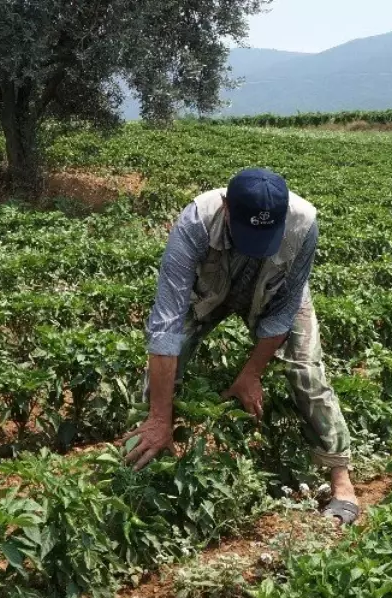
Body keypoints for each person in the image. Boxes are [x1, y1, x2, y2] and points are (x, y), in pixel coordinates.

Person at [118, 167, 360, 524]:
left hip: (273, 293)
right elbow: (166, 324)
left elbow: (283, 311)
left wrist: (251, 374)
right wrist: (159, 416)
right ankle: (149, 457)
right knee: (170, 354)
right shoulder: (196, 222)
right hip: (209, 290)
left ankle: (342, 481)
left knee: (306, 370)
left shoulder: (303, 223)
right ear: (227, 208)